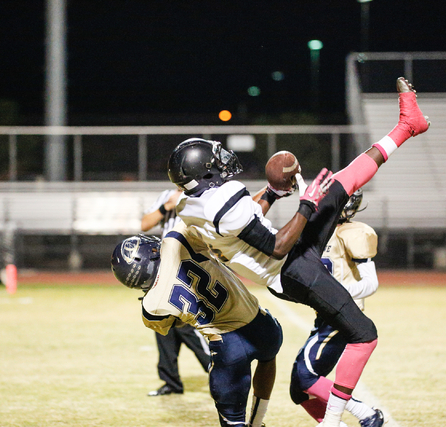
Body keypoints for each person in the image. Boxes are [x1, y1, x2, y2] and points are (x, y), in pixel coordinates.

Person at [167, 77, 430, 427]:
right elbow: (276, 247)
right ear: (206, 172)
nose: (223, 162)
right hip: (289, 272)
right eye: (215, 161)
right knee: (364, 335)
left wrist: (274, 193)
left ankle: (407, 126)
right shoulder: (224, 206)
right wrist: (305, 206)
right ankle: (334, 421)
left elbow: (251, 219)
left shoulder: (196, 203)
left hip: (292, 261)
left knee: (342, 183)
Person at [111, 223, 283, 427]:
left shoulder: (151, 307)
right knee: (268, 357)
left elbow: (175, 324)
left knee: (233, 420)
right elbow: (212, 223)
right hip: (261, 323)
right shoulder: (175, 241)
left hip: (227, 346)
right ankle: (257, 422)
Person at [290, 189, 384, 427]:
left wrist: (332, 295)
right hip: (325, 316)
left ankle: (364, 413)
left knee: (305, 376)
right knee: (298, 389)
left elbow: (371, 283)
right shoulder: (320, 234)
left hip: (341, 314)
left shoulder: (352, 233)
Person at [140, 188, 211, 396]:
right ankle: (171, 381)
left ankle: (220, 370)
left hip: (191, 268)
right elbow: (145, 224)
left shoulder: (203, 195)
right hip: (165, 270)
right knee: (162, 323)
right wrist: (166, 207)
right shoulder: (166, 195)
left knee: (188, 326)